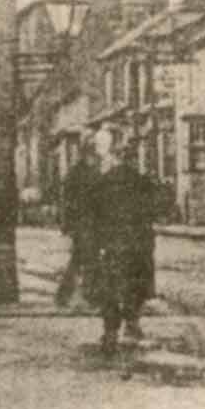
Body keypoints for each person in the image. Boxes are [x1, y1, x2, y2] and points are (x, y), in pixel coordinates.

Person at [86, 131, 157, 353]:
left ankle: (110, 331)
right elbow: (152, 210)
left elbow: (94, 214)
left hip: (113, 244)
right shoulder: (141, 182)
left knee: (110, 287)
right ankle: (131, 323)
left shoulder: (103, 182)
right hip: (135, 245)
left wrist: (96, 243)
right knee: (135, 285)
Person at [54, 145, 103, 307]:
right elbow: (70, 201)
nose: (95, 159)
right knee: (89, 261)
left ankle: (64, 295)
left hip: (86, 224)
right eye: (93, 156)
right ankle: (90, 295)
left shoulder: (79, 173)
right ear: (87, 156)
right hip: (85, 224)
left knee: (79, 260)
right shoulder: (84, 174)